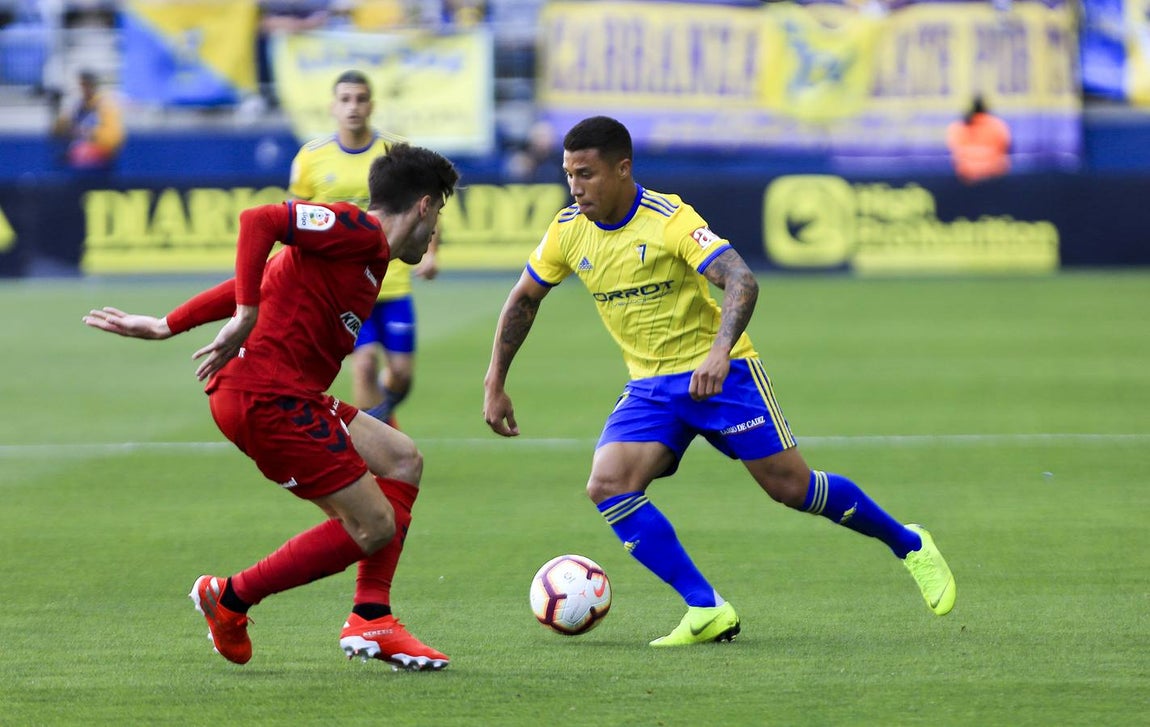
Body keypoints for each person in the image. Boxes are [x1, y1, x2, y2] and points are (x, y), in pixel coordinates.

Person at [482, 116, 956, 646]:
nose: (575, 186)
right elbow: (524, 298)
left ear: (622, 168)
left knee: (791, 488)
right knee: (608, 484)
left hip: (723, 376)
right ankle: (706, 608)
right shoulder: (567, 230)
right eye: (569, 173)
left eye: (586, 174)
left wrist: (718, 352)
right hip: (650, 387)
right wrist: (494, 381)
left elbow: (740, 279)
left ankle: (909, 543)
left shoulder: (670, 218)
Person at [83, 144, 460, 670]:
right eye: (439, 213)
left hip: (288, 393)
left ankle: (372, 616)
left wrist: (168, 324)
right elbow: (260, 219)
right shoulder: (357, 229)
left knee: (401, 459)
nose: (437, 228)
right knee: (373, 525)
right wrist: (244, 315)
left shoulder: (364, 257)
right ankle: (230, 599)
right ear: (423, 206)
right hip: (266, 396)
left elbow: (268, 273)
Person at [289, 69, 438, 427]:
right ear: (333, 107)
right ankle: (375, 449)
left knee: (400, 376)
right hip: (345, 287)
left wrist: (432, 252)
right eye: (345, 99)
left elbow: (427, 203)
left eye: (359, 99)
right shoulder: (311, 158)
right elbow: (293, 215)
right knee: (365, 361)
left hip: (393, 281)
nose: (353, 107)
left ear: (371, 105)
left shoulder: (396, 152)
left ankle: (381, 423)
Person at [51, 69, 124, 170]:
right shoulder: (78, 106)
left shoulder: (105, 105)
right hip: (76, 152)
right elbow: (57, 132)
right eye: (82, 85)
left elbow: (112, 139)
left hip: (102, 156)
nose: (84, 89)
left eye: (87, 85)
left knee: (80, 153)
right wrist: (61, 112)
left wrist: (89, 133)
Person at [946, 95, 1011, 185]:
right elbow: (1005, 147)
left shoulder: (958, 127)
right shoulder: (997, 125)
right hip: (993, 174)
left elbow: (956, 150)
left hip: (968, 175)